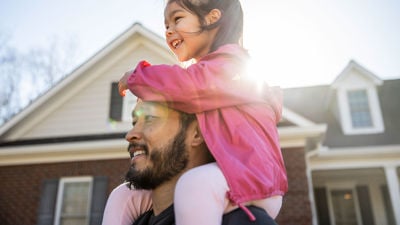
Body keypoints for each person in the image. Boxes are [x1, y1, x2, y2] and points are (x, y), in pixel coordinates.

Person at [113, 0, 288, 224]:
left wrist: (139, 78)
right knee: (124, 195)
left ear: (212, 17)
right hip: (225, 176)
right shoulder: (210, 71)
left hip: (253, 180)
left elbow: (189, 85)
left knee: (194, 184)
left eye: (177, 19)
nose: (168, 30)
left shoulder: (232, 66)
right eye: (166, 25)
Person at [103, 100, 278, 225]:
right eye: (134, 122)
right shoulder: (132, 218)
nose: (130, 134)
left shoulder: (242, 220)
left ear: (197, 134)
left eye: (149, 118)